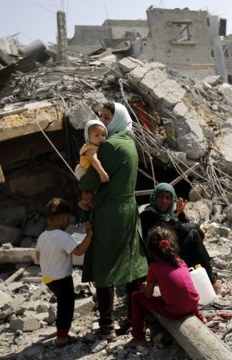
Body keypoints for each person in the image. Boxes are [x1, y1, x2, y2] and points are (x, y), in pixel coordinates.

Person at [79, 101, 147, 340]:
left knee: (104, 265)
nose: (104, 123)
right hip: (128, 209)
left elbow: (88, 182)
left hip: (110, 213)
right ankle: (134, 317)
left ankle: (107, 326)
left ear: (117, 118)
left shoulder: (110, 146)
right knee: (130, 263)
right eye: (102, 117)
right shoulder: (130, 143)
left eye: (108, 118)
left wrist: (85, 190)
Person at [125, 226, 204, 348]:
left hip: (176, 313)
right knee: (184, 293)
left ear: (151, 250)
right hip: (194, 306)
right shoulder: (180, 261)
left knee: (136, 297)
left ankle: (138, 336)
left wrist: (145, 286)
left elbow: (148, 295)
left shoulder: (154, 267)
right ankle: (201, 317)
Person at [140, 183, 221, 293]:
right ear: (155, 197)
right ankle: (211, 280)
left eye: (167, 198)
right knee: (194, 234)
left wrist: (180, 213)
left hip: (170, 251)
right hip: (159, 256)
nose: (164, 201)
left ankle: (206, 277)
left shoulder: (167, 215)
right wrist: (194, 225)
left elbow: (179, 228)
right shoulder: (149, 214)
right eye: (161, 196)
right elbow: (178, 228)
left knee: (192, 236)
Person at [35, 198, 93, 345]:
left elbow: (37, 256)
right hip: (62, 278)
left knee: (62, 304)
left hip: (48, 278)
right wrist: (89, 236)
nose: (68, 221)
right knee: (66, 307)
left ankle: (61, 330)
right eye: (68, 218)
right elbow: (79, 252)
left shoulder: (43, 235)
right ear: (63, 218)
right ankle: (62, 337)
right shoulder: (63, 236)